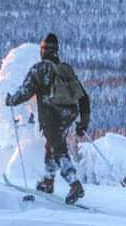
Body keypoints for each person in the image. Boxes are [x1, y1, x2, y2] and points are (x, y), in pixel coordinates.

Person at [5, 33, 90, 205]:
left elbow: (25, 91)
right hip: (69, 114)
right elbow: (83, 97)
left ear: (42, 50)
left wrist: (10, 100)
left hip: (52, 116)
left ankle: (74, 184)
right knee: (52, 145)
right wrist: (83, 122)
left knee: (58, 148)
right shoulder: (65, 70)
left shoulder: (40, 69)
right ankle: (48, 181)